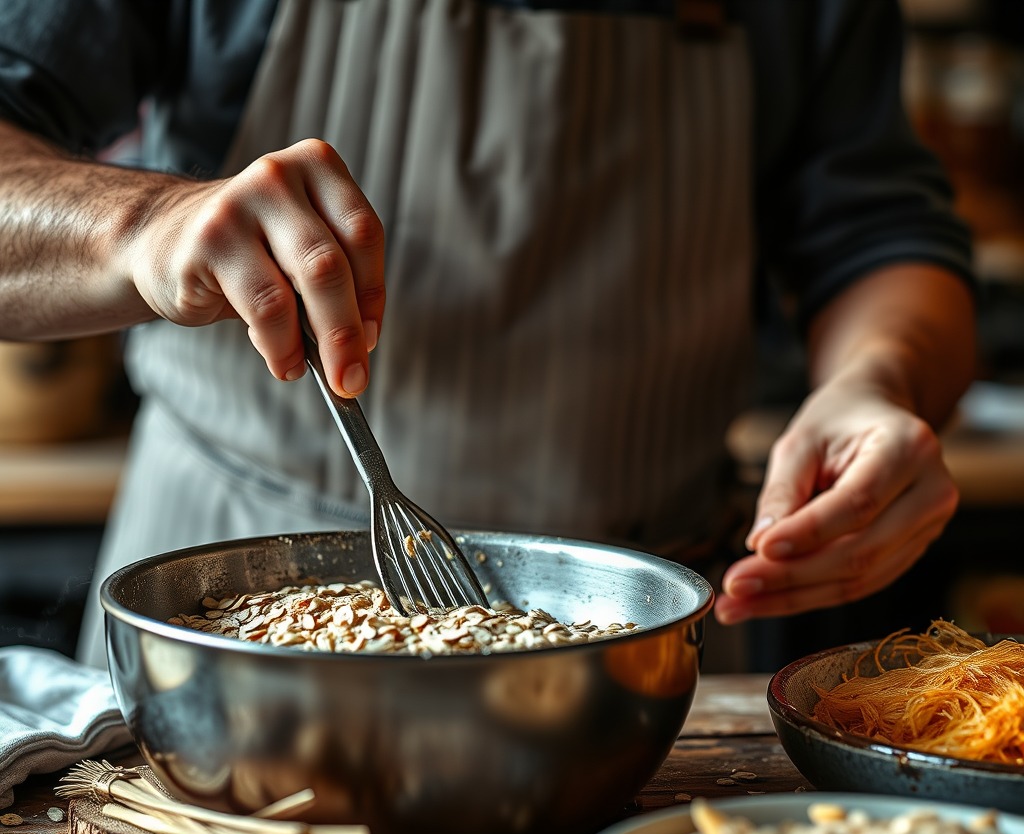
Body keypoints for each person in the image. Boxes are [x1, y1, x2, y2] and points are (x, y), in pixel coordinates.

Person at [0, 0, 976, 670]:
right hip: (226, 634)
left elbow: (879, 234)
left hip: (627, 646)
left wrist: (876, 380)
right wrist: (140, 226)